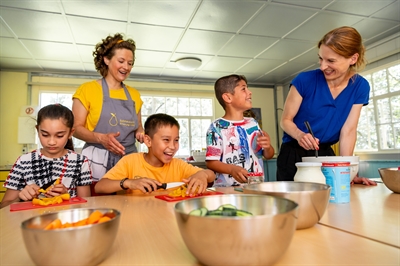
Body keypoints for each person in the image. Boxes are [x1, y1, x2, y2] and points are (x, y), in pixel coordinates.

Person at [277, 26, 376, 186]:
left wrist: (348, 172)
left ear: (353, 59)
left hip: (325, 154)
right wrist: (300, 135)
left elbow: (348, 131)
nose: (323, 66)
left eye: (331, 61)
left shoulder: (360, 86)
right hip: (293, 155)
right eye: (321, 59)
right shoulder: (304, 80)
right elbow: (285, 120)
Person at [72, 33, 144, 184]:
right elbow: (75, 128)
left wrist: (141, 134)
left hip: (128, 158)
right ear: (106, 59)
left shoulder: (134, 95)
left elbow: (138, 127)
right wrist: (101, 138)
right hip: (96, 158)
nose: (126, 67)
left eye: (130, 63)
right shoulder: (87, 90)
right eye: (121, 61)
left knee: (130, 202)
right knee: (97, 203)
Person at [95, 113, 215, 195]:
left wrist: (202, 175)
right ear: (148, 141)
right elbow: (100, 187)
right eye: (166, 140)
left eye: (176, 140)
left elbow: (211, 175)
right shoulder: (130, 161)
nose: (173, 146)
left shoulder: (178, 165)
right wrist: (129, 183)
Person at [0, 104, 92, 209]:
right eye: (45, 134)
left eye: (59, 136)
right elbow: (3, 207)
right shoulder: (23, 161)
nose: (51, 142)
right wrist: (20, 199)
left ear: (71, 133)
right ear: (37, 130)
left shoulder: (80, 162)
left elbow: (86, 206)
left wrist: (67, 197)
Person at [205, 74, 275, 187]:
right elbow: (211, 162)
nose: (250, 92)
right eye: (243, 89)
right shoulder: (216, 127)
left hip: (256, 187)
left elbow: (268, 155)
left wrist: (268, 147)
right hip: (227, 192)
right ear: (228, 98)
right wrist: (231, 169)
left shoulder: (253, 123)